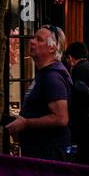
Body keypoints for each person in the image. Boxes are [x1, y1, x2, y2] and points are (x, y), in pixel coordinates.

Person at [5, 26, 71, 161]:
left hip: (48, 153)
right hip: (40, 151)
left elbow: (61, 118)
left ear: (52, 48)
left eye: (39, 39)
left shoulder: (52, 77)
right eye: (34, 37)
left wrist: (26, 123)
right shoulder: (45, 73)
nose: (32, 41)